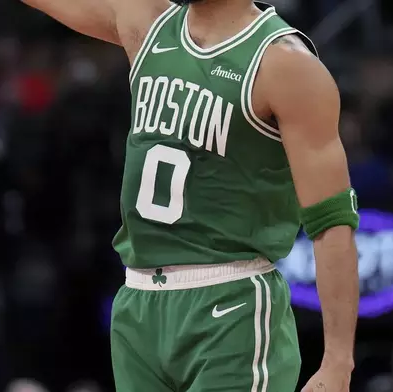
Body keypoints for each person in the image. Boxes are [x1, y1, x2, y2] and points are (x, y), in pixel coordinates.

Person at [20, 0, 359, 391]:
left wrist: (337, 360)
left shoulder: (284, 64)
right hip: (138, 301)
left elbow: (331, 220)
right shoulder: (146, 22)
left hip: (232, 304)